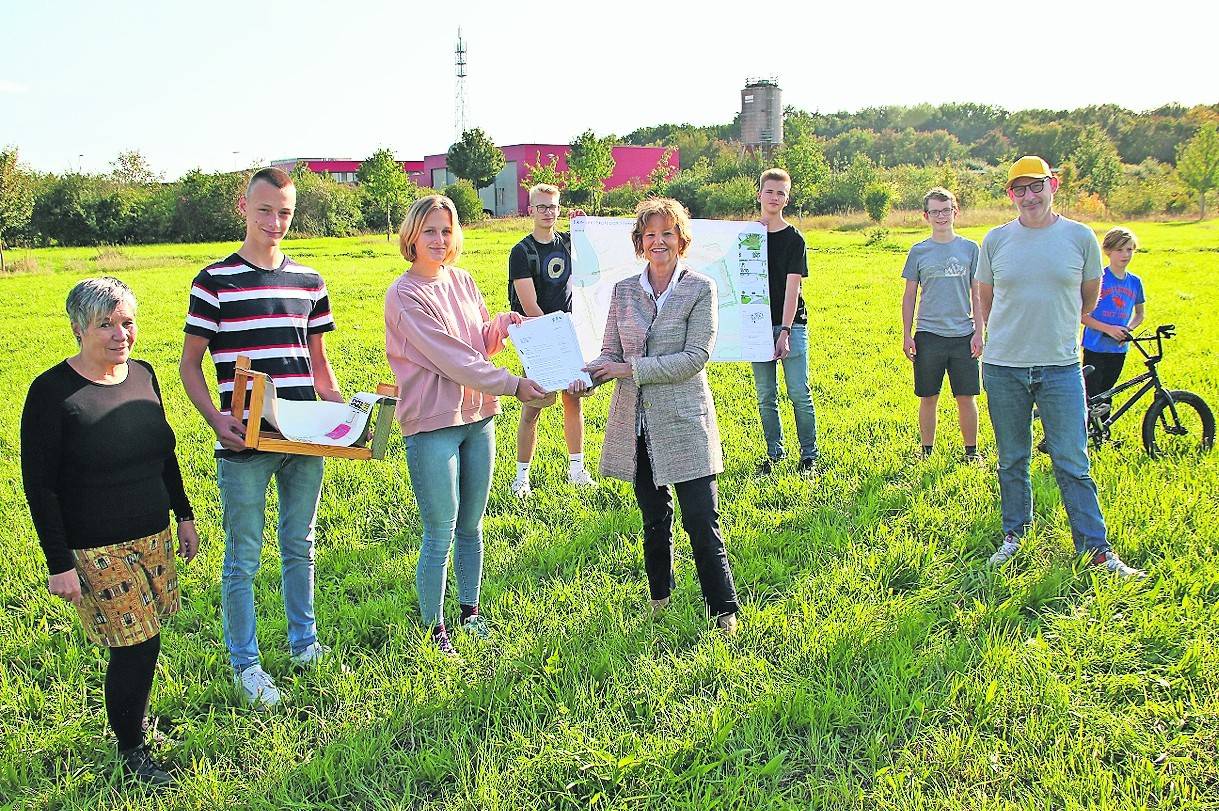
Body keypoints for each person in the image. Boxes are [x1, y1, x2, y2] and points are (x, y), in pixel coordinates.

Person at [22, 277, 199, 786]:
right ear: (79, 328)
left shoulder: (143, 375)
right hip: (95, 547)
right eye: (106, 324)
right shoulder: (52, 393)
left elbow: (164, 453)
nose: (121, 334)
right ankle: (132, 747)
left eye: (127, 322)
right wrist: (59, 564)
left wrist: (183, 515)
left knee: (151, 634)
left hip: (154, 535)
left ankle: (135, 721)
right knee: (134, 645)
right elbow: (40, 487)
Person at [180, 167, 343, 708]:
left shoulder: (310, 281)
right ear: (243, 208)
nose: (276, 222)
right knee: (243, 558)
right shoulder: (214, 280)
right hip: (244, 444)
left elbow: (319, 364)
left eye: (285, 213)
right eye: (265, 210)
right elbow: (190, 365)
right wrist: (214, 418)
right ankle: (245, 663)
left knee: (300, 546)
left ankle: (305, 643)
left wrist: (341, 417)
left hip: (303, 441)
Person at [385, 194, 550, 656]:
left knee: (472, 526)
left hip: (479, 418)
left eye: (446, 230)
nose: (439, 240)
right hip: (433, 424)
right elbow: (452, 359)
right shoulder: (403, 295)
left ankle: (470, 612)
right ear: (412, 236)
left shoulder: (463, 280)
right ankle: (434, 629)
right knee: (440, 530)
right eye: (430, 231)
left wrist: (500, 325)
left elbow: (478, 345)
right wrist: (514, 385)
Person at [570, 198, 741, 633]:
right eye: (650, 235)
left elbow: (695, 357)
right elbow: (610, 351)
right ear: (640, 243)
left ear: (681, 240)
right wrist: (583, 377)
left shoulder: (700, 288)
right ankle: (659, 601)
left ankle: (723, 609)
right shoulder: (625, 290)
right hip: (637, 425)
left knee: (701, 518)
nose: (658, 242)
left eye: (667, 234)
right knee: (653, 518)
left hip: (684, 423)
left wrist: (629, 369)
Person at [976, 156, 1143, 577]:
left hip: (1061, 368)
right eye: (1020, 189)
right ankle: (1015, 534)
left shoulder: (1080, 237)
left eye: (1037, 186)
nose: (1029, 196)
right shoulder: (995, 241)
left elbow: (1088, 298)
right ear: (1009, 194)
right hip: (1004, 367)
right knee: (1012, 459)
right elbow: (986, 297)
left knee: (1072, 460)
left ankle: (1097, 550)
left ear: (1054, 185)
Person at [507, 184, 595, 497]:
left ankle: (576, 469)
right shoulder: (521, 251)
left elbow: (594, 265)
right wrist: (553, 335)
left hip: (569, 335)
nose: (548, 212)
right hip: (540, 336)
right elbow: (529, 303)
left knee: (573, 399)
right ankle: (521, 477)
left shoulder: (568, 243)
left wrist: (584, 228)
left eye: (553, 207)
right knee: (533, 408)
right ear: (530, 210)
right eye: (541, 207)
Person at [900, 187, 984, 462]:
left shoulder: (971, 249)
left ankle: (971, 452)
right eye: (935, 211)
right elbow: (910, 295)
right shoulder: (919, 251)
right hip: (928, 335)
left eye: (946, 210)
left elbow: (977, 293)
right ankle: (926, 451)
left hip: (963, 335)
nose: (941, 216)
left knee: (966, 396)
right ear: (926, 216)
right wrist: (907, 334)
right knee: (928, 397)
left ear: (955, 212)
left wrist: (979, 332)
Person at [751, 168, 819, 476]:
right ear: (760, 195)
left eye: (781, 193)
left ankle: (809, 456)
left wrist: (786, 330)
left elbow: (794, 287)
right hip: (757, 325)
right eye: (770, 191)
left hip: (791, 324)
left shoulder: (794, 239)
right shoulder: (747, 237)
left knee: (798, 392)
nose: (774, 197)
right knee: (766, 395)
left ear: (787, 199)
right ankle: (774, 454)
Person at [1080, 227, 1145, 401]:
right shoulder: (1098, 278)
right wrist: (1108, 329)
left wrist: (1127, 329)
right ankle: (1088, 428)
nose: (1125, 254)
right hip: (1095, 346)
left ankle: (1104, 428)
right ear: (1108, 251)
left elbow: (1140, 314)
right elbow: (1082, 315)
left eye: (1129, 249)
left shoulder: (1135, 282)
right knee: (1092, 395)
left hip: (1118, 349)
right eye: (1119, 249)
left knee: (1108, 393)